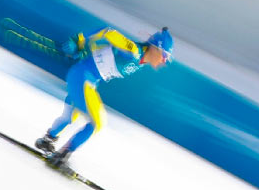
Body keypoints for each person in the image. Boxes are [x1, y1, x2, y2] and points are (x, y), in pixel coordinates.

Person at [35, 25, 174, 169]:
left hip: (83, 78)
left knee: (70, 117)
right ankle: (62, 155)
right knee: (98, 122)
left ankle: (46, 140)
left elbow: (106, 50)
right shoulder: (133, 51)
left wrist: (90, 47)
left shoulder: (141, 60)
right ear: (156, 48)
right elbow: (108, 32)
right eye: (165, 56)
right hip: (83, 79)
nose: (164, 62)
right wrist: (80, 39)